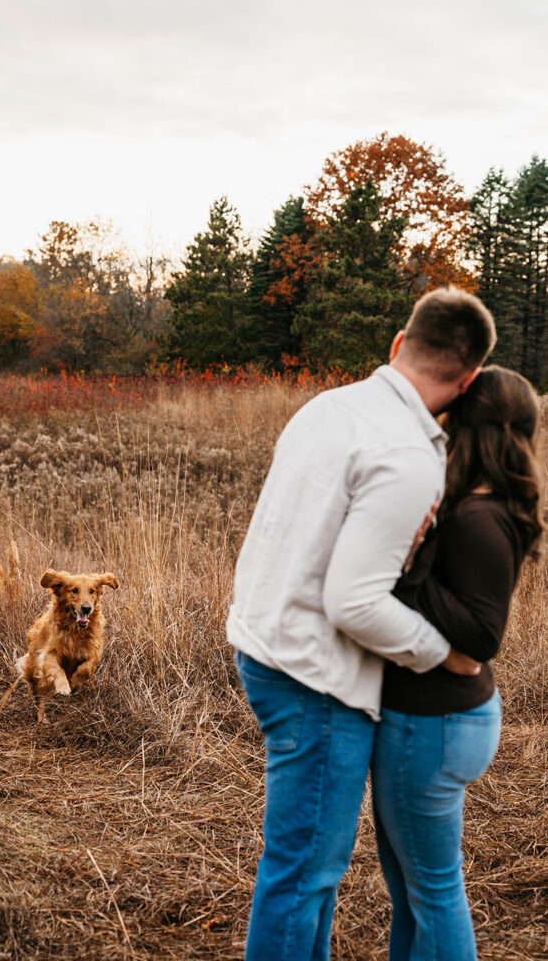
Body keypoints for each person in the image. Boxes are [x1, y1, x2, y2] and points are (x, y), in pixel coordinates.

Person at [227, 286, 497, 961]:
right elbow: (353, 603)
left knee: (302, 871)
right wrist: (445, 654)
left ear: (398, 345)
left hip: (266, 642)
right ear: (466, 380)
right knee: (304, 875)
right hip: (312, 673)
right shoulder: (407, 455)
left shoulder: (329, 407)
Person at [372, 365, 545, 961]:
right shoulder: (478, 505)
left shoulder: (477, 518)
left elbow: (479, 639)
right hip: (434, 721)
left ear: (464, 426)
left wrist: (413, 559)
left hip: (434, 726)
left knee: (433, 892)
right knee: (413, 890)